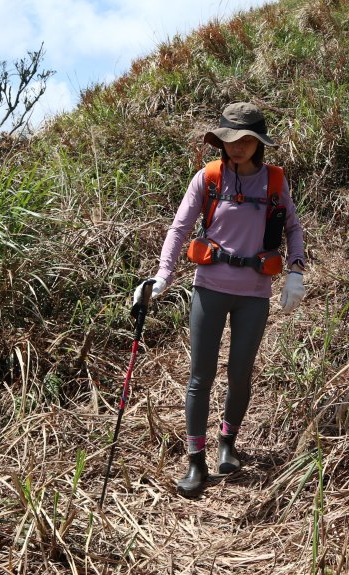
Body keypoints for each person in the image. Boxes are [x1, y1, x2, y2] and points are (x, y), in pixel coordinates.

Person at [134, 102, 306, 497]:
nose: (237, 147)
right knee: (201, 376)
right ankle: (196, 463)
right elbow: (178, 229)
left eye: (245, 139)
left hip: (254, 294)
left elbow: (293, 229)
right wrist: (163, 274)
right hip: (208, 287)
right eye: (229, 139)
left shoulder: (275, 183)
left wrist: (295, 270)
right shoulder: (208, 178)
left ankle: (227, 444)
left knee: (240, 373)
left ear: (258, 142)